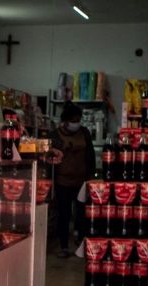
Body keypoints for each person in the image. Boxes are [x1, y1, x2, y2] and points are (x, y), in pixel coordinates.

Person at [50, 102, 95, 258]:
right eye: (73, 120)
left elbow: (90, 155)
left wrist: (91, 176)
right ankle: (63, 246)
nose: (77, 123)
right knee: (64, 214)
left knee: (83, 214)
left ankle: (82, 243)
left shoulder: (84, 133)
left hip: (82, 181)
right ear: (65, 120)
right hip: (63, 181)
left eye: (78, 119)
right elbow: (50, 156)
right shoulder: (55, 135)